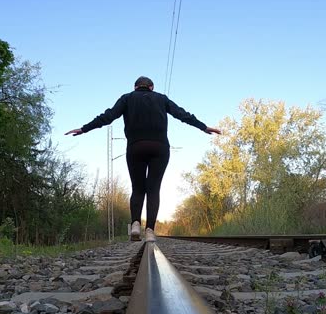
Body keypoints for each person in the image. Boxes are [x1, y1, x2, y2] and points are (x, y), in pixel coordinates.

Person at [65, 76, 220, 242]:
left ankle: (135, 224)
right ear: (151, 87)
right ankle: (150, 231)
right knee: (153, 189)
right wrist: (203, 127)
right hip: (159, 148)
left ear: (135, 87)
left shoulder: (127, 98)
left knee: (138, 188)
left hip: (135, 147)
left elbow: (108, 116)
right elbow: (182, 114)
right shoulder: (161, 98)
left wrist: (84, 129)